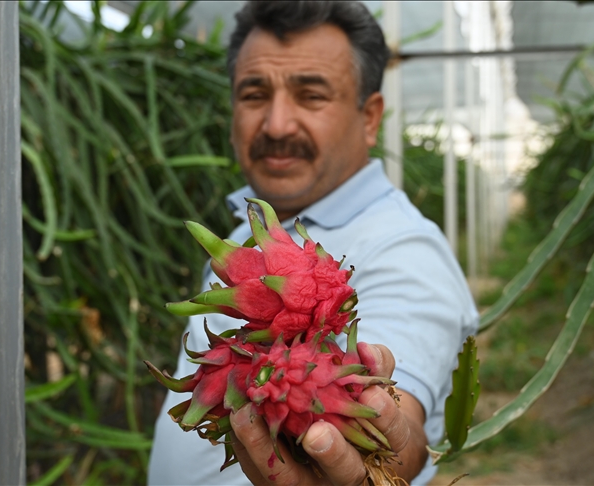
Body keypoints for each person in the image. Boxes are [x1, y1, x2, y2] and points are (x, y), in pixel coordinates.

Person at [148, 2, 478, 484]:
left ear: (370, 118)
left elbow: (402, 423)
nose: (277, 124)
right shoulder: (247, 236)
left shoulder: (405, 250)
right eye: (254, 94)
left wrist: (369, 459)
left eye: (311, 95)